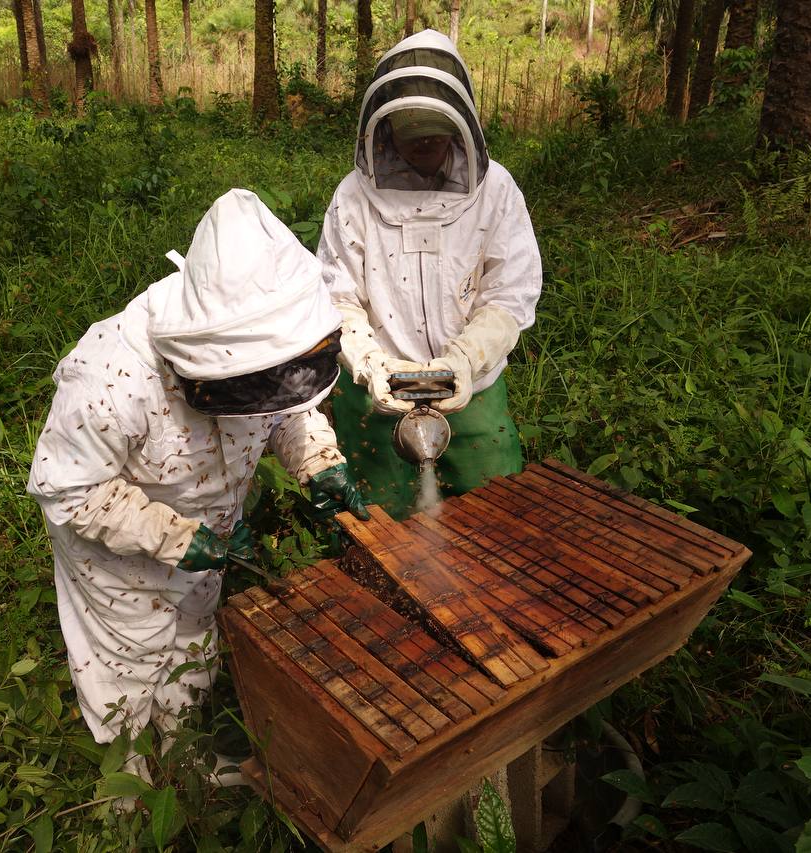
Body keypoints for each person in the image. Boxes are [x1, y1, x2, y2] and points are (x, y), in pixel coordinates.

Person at [26, 189, 368, 792]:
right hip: (115, 551)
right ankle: (127, 793)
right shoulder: (110, 374)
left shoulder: (266, 346)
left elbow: (283, 404)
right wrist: (173, 536)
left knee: (192, 635)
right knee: (127, 659)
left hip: (211, 525)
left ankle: (183, 760)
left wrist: (319, 461)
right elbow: (68, 490)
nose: (261, 387)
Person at [318, 29, 543, 518]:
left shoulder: (497, 190)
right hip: (376, 398)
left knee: (496, 517)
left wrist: (466, 357)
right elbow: (336, 296)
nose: (425, 145)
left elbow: (510, 293)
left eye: (436, 133)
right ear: (384, 130)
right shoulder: (353, 197)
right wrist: (369, 361)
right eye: (412, 133)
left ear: (461, 124)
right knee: (377, 530)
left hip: (473, 393)